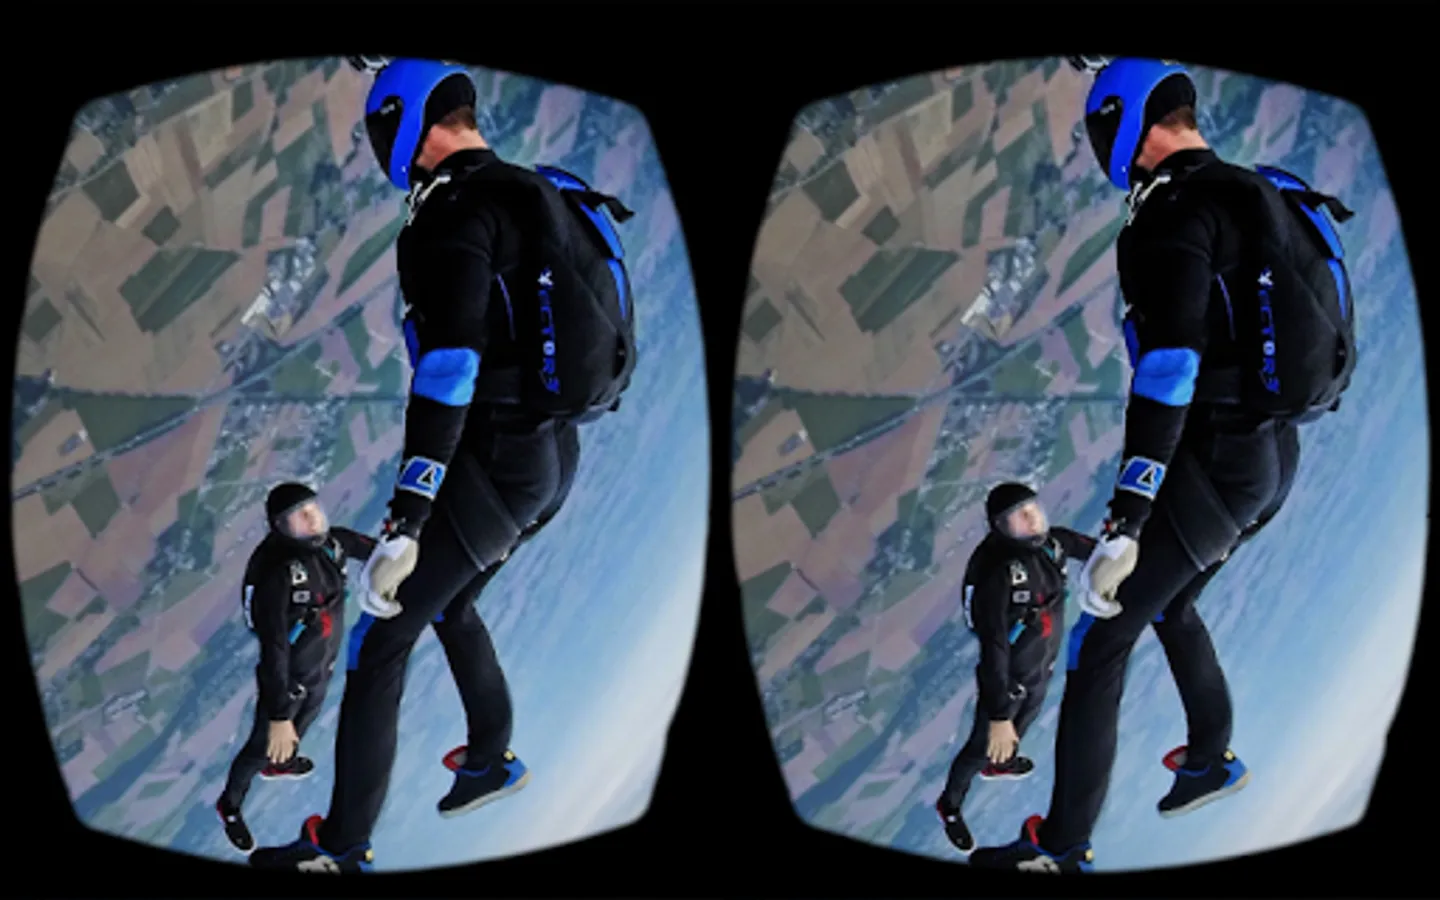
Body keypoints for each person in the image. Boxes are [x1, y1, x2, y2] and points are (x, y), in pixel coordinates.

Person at [251, 57, 637, 872]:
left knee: (377, 643)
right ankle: (491, 758)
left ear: (404, 128)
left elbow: (451, 366)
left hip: (494, 465)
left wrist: (411, 515)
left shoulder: (452, 216)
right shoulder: (531, 186)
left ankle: (340, 849)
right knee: (452, 604)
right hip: (552, 458)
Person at [970, 58, 1356, 872]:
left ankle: (1060, 849)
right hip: (1272, 459)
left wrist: (1130, 517)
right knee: (1172, 604)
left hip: (1215, 465)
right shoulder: (1250, 186)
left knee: (1097, 643)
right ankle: (1211, 758)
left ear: (1124, 128)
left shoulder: (1170, 217)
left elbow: (1171, 366)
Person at [216, 483, 376, 854]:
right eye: (298, 516)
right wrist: (278, 715)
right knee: (261, 748)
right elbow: (273, 650)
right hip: (288, 681)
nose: (312, 518)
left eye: (313, 508)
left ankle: (279, 765)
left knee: (303, 726)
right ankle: (230, 806)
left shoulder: (334, 544)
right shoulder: (278, 577)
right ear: (281, 528)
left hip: (320, 668)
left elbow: (376, 550)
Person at [936, 483, 1096, 854]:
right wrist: (998, 715)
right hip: (1008, 681)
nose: (1032, 518)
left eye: (1033, 508)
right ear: (1001, 528)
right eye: (1018, 517)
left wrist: (1128, 554)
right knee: (981, 748)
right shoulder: (999, 577)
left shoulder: (1054, 545)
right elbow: (993, 650)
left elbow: (1095, 550)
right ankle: (950, 806)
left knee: (1023, 725)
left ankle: (1000, 765)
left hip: (1040, 668)